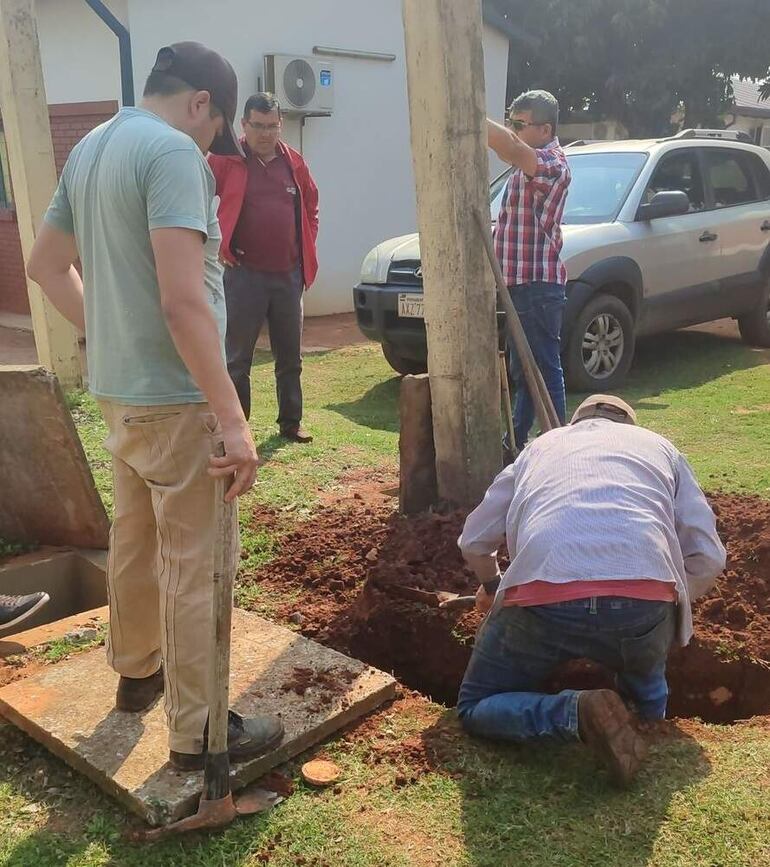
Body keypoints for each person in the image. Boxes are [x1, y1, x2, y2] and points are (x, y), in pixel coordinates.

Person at [27, 42, 283, 771]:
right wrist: (233, 420)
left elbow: (45, 265)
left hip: (120, 393)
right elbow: (182, 301)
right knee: (195, 562)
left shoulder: (93, 148)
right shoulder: (173, 154)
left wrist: (105, 332)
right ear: (200, 103)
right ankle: (201, 735)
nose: (212, 146)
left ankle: (137, 671)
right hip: (176, 402)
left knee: (136, 539)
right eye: (215, 129)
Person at [455, 394, 726, 786]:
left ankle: (572, 712)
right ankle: (649, 725)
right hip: (644, 597)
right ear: (630, 428)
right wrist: (669, 606)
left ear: (575, 423)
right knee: (645, 678)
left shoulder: (541, 447)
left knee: (475, 706)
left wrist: (493, 584)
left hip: (542, 596)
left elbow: (474, 541)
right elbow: (709, 557)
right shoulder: (661, 449)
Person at [208, 92, 319, 442]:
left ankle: (291, 423)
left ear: (280, 126)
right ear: (243, 125)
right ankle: (240, 429)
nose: (266, 134)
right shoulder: (225, 160)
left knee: (290, 357)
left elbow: (311, 206)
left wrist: (306, 248)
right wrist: (218, 243)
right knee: (238, 360)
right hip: (244, 275)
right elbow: (196, 197)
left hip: (288, 276)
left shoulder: (294, 163)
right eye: (258, 126)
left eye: (272, 126)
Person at [487, 90, 571, 456]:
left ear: (545, 129)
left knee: (544, 369)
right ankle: (515, 442)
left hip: (538, 283)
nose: (514, 130)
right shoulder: (527, 166)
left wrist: (469, 113)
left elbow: (508, 147)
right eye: (513, 123)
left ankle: (558, 447)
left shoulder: (552, 163)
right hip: (521, 283)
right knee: (524, 370)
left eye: (521, 124)